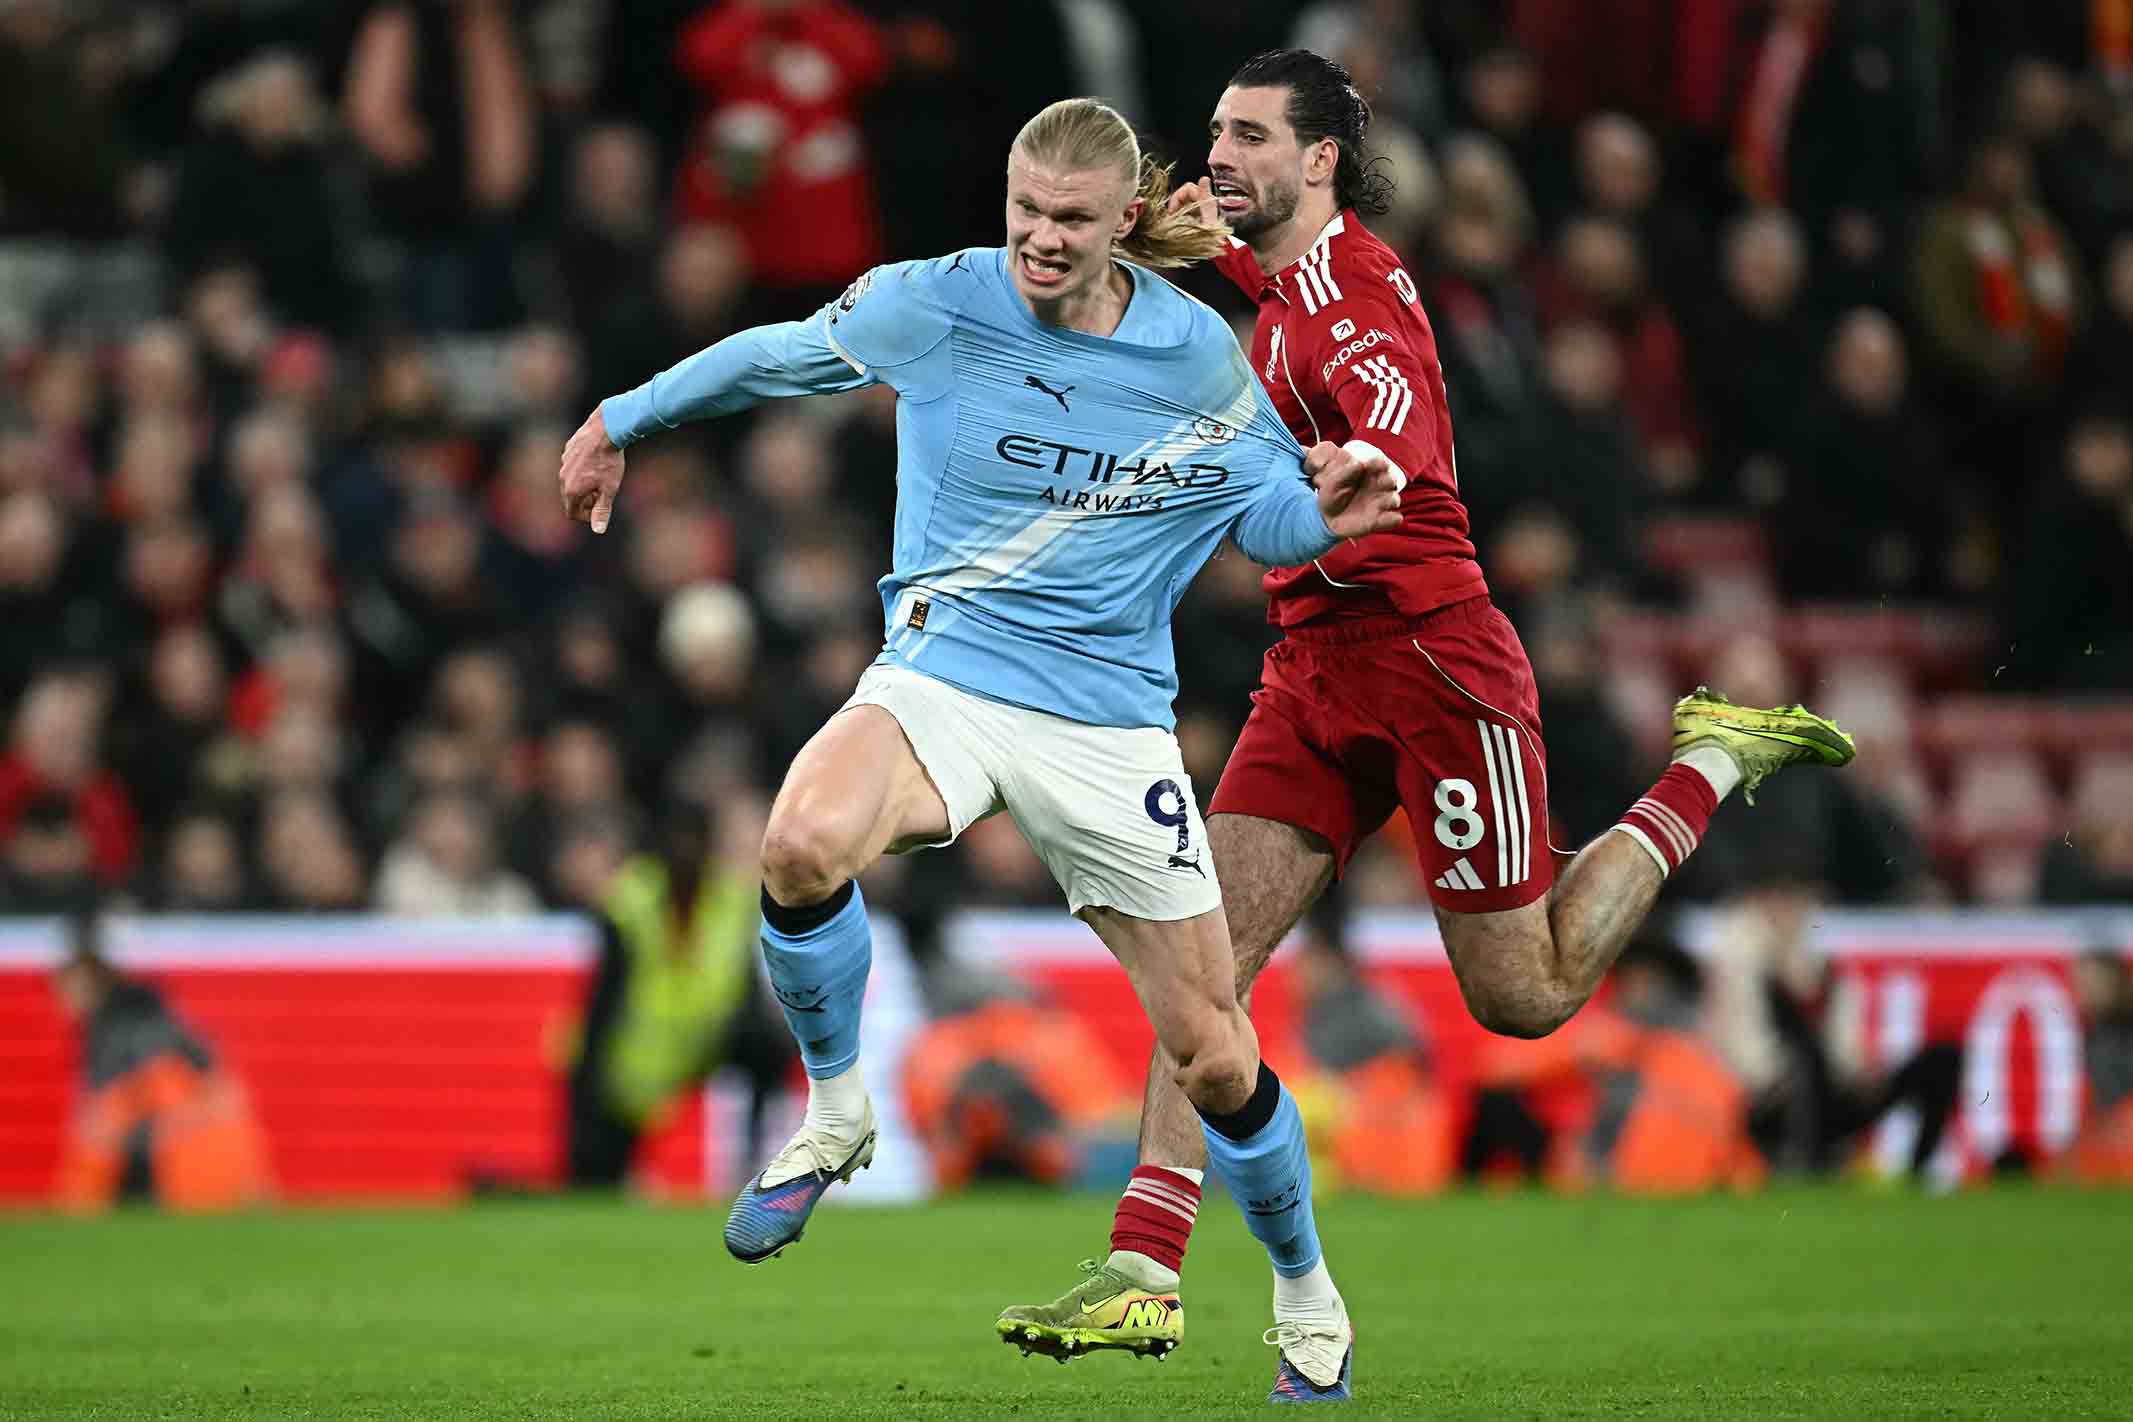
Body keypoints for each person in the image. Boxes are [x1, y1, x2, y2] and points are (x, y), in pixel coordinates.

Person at [557, 97, 1403, 1402]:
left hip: (1109, 723)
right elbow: (780, 355)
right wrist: (623, 415)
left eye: (1069, 220)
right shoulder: (939, 302)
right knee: (796, 842)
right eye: (1023, 212)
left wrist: (1334, 512)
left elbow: (1271, 519)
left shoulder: (1194, 356)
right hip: (942, 673)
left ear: (1127, 221)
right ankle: (835, 1111)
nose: (1038, 241)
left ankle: (1306, 1288)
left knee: (1213, 1052)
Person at [1028, 49, 1855, 1375]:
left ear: (1320, 160)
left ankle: (1705, 762)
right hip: (1312, 668)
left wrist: (1223, 483)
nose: (1216, 156)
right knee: (1202, 970)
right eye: (1212, 131)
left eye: (1244, 136)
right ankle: (1143, 1265)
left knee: (1521, 997)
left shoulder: (1356, 305)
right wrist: (1181, 248)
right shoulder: (1284, 277)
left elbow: (1391, 473)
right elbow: (1243, 276)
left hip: (1432, 667)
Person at [564, 797, 791, 1188]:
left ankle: (749, 1171)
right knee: (597, 1174)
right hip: (640, 1054)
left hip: (706, 1042)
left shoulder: (732, 901)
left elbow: (748, 992)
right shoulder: (629, 901)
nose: (685, 853)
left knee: (767, 1045)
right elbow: (603, 1003)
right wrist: (588, 1082)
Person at [51, 917, 272, 1213]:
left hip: (167, 1153)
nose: (61, 1002)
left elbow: (116, 1108)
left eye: (66, 990)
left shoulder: (123, 1034)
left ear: (90, 985)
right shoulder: (140, 1024)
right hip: (168, 1146)